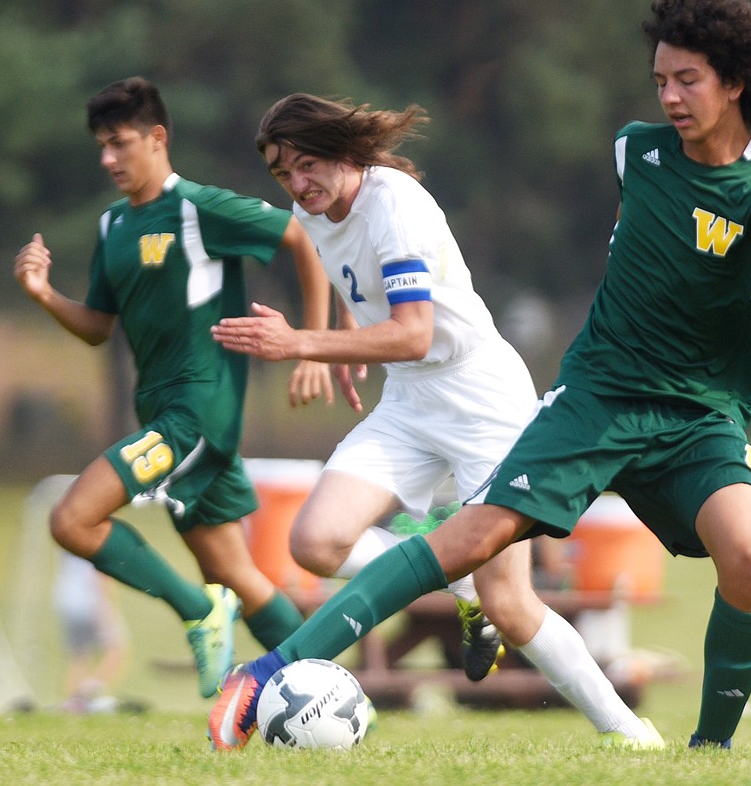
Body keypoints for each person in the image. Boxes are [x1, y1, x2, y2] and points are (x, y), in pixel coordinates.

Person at [208, 0, 751, 750]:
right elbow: (352, 260)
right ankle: (271, 671)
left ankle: (708, 752)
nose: (669, 97)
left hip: (699, 409)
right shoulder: (636, 152)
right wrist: (337, 324)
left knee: (747, 557)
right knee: (464, 543)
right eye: (661, 80)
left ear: (736, 81)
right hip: (599, 394)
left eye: (688, 80)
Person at [209, 92, 662, 748]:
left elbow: (415, 332)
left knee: (510, 601)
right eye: (284, 174)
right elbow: (342, 276)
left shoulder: (392, 202)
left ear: (343, 152)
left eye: (308, 165)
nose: (297, 184)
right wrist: (341, 335)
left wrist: (305, 342)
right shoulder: (312, 213)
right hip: (408, 401)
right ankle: (455, 579)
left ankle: (627, 733)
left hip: (482, 401)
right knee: (314, 542)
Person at [14, 76, 333, 699]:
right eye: (101, 147)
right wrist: (44, 295)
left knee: (72, 519)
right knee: (235, 571)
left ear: (157, 138)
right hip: (163, 411)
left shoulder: (197, 208)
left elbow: (299, 237)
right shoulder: (112, 229)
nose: (108, 159)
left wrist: (311, 344)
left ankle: (197, 610)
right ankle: (334, 692)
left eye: (119, 143)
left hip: (196, 415)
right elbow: (98, 329)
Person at [53, 551, 129, 713]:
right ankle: (86, 698)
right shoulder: (92, 536)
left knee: (79, 656)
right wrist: (106, 606)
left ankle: (73, 704)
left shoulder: (65, 537)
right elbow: (99, 573)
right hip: (92, 601)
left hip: (66, 601)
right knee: (116, 650)